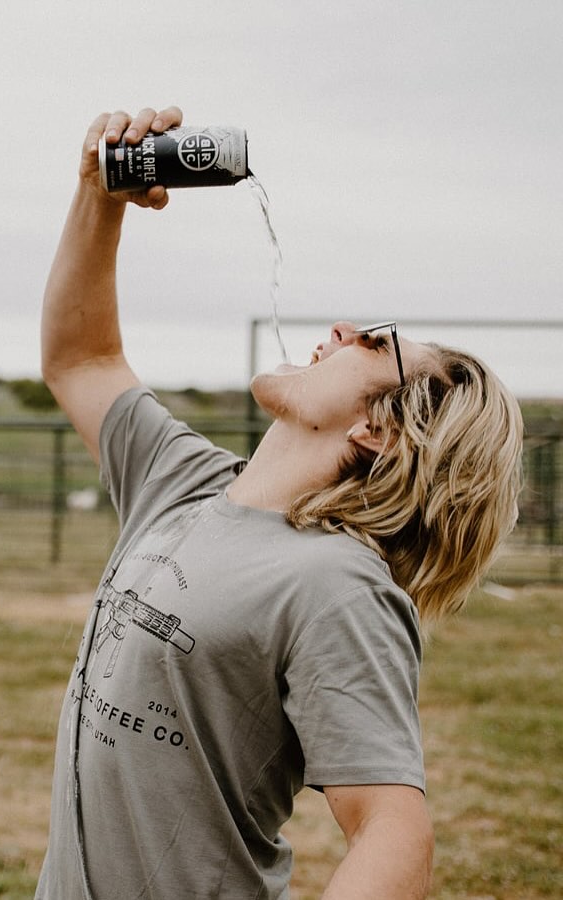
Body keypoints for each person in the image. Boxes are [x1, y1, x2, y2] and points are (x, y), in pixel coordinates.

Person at [35, 106, 523, 900]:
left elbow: (394, 829)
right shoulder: (182, 479)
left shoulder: (336, 584)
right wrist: (99, 198)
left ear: (383, 431)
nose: (340, 327)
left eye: (373, 341)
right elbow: (81, 358)